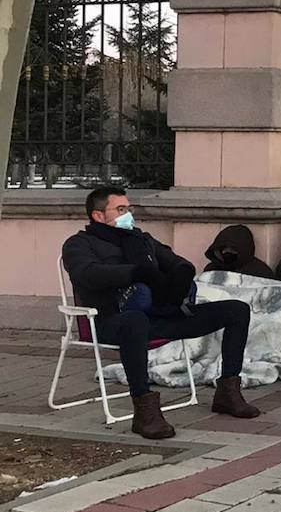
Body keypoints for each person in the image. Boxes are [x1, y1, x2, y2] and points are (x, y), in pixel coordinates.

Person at [61, 185, 260, 439]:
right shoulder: (79, 244)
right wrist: (134, 273)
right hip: (112, 321)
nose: (128, 214)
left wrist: (180, 274)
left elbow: (174, 261)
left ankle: (228, 392)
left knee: (236, 310)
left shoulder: (141, 239)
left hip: (161, 315)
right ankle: (145, 411)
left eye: (128, 208)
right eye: (120, 209)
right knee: (135, 320)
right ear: (98, 215)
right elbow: (87, 274)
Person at [204, 225, 275, 280]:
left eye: (233, 249)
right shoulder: (211, 270)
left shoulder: (260, 272)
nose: (227, 252)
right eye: (223, 248)